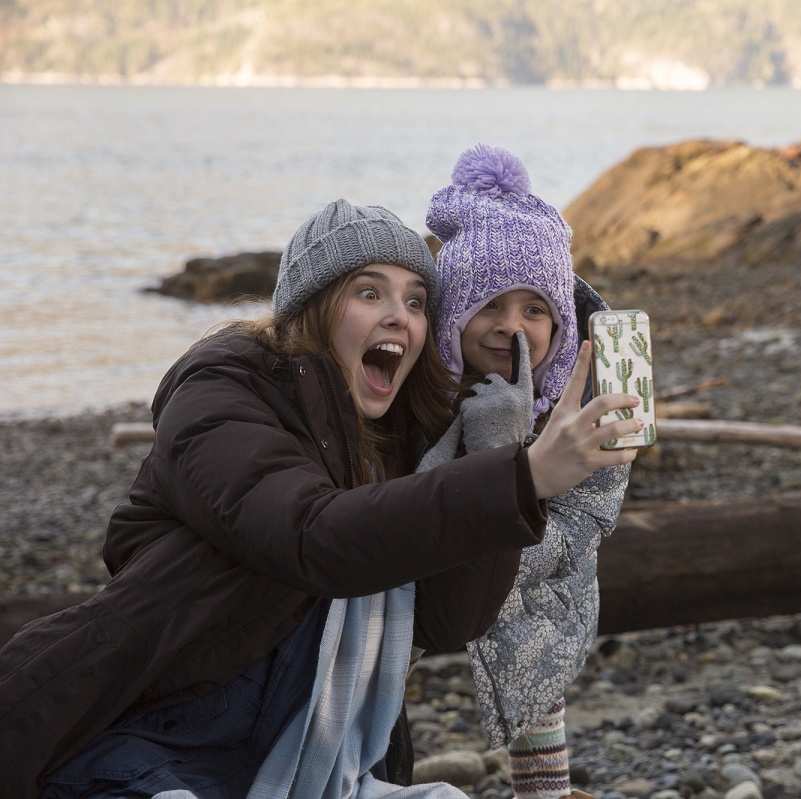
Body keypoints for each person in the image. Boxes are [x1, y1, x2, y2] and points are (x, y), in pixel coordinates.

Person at [0, 199, 640, 799]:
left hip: (310, 760)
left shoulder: (396, 434)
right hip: (146, 740)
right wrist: (520, 479)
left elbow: (448, 621)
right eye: (370, 293)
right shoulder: (223, 393)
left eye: (417, 301)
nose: (400, 316)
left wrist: (491, 452)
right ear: (312, 307)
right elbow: (313, 536)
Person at [424, 143, 632, 799]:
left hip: (538, 561)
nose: (510, 327)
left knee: (531, 614)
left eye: (534, 310)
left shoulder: (583, 395)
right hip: (416, 553)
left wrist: (510, 474)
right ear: (452, 310)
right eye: (489, 305)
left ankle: (544, 784)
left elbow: (587, 518)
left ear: (559, 323)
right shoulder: (414, 387)